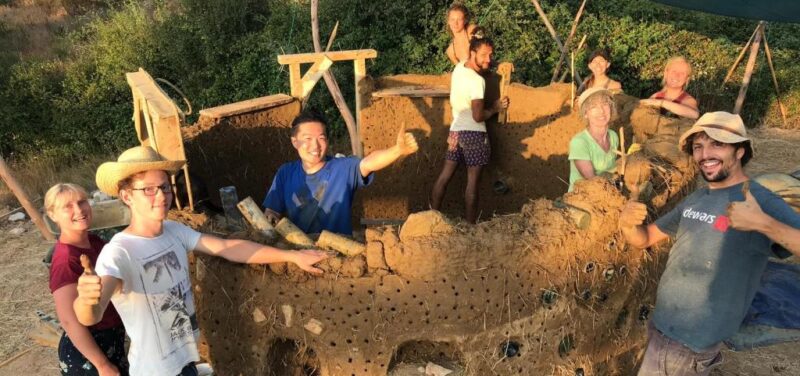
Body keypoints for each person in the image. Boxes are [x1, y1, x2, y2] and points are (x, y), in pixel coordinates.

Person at [74, 146, 328, 376]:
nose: (161, 196)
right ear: (127, 196)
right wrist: (86, 301)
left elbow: (228, 248)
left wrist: (292, 256)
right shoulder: (119, 252)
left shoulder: (174, 232)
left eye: (164, 187)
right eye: (148, 190)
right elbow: (91, 315)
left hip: (187, 364)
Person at [617, 112, 800, 376]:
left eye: (717, 144)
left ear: (740, 151)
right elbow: (645, 238)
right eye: (698, 147)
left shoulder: (759, 199)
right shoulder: (696, 198)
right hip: (662, 330)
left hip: (693, 347)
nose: (705, 154)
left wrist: (763, 223)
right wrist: (627, 225)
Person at [262, 110, 418, 235]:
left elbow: (369, 162)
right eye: (307, 138)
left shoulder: (342, 168)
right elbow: (272, 210)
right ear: (294, 141)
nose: (315, 145)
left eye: (321, 138)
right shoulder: (285, 173)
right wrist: (270, 217)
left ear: (327, 141)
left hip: (340, 255)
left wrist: (397, 150)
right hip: (300, 253)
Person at [46, 183, 128, 376]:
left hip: (111, 338)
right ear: (52, 215)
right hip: (89, 353)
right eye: (67, 206)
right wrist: (102, 365)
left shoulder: (95, 242)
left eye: (81, 202)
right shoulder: (66, 260)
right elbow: (68, 320)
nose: (79, 210)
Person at [431, 33, 509, 223]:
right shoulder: (477, 81)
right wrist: (495, 108)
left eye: (490, 55)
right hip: (474, 134)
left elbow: (476, 60)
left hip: (455, 131)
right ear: (472, 52)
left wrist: (493, 65)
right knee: (472, 183)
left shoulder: (459, 68)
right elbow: (478, 116)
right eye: (483, 55)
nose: (488, 60)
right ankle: (470, 228)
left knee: (444, 177)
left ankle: (431, 218)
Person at [567, 87, 619, 192]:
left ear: (611, 108)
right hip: (583, 199)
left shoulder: (613, 136)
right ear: (585, 114)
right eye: (593, 107)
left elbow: (614, 169)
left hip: (608, 194)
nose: (601, 111)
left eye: (605, 104)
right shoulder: (579, 142)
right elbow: (592, 181)